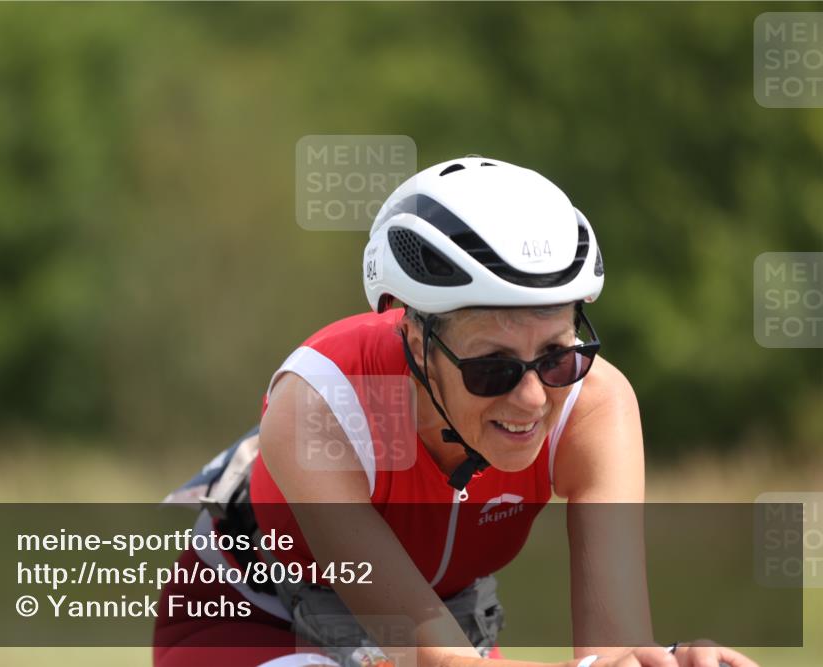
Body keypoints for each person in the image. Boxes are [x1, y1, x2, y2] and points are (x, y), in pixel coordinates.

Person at [153, 157, 759, 667]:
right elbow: (435, 658)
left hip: (449, 627)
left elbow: (613, 650)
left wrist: (662, 662)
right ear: (416, 344)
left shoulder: (594, 406)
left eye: (555, 356)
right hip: (255, 618)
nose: (530, 398)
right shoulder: (330, 400)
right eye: (492, 367)